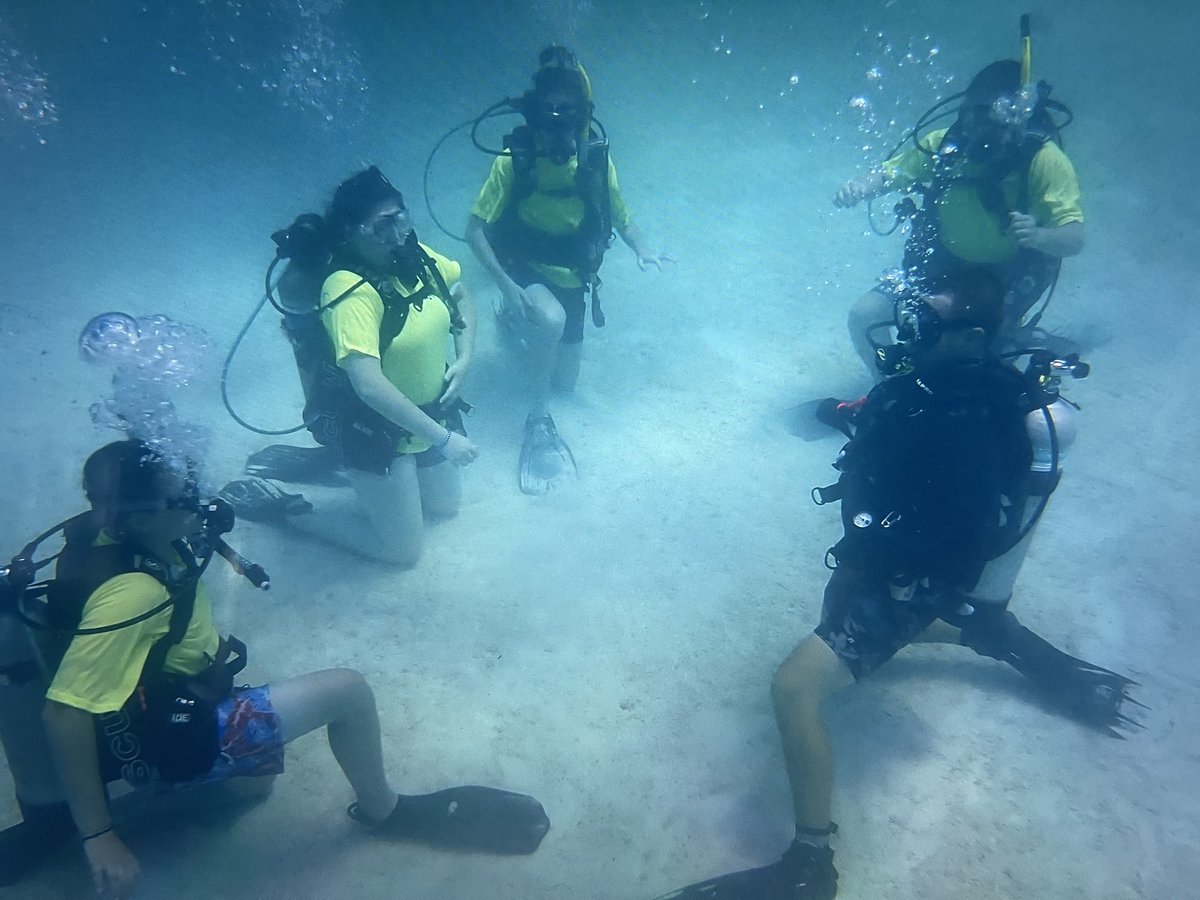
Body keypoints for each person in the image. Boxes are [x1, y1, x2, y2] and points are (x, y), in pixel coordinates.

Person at [655, 269, 1135, 900]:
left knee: (794, 688)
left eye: (919, 323)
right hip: (938, 577)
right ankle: (993, 632)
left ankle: (809, 865)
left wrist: (846, 437)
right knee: (863, 627)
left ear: (937, 333)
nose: (908, 333)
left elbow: (894, 458)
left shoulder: (912, 402)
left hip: (904, 582)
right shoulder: (1001, 393)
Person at [0, 440, 550, 894]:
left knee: (252, 788)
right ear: (144, 516)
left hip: (144, 695)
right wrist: (99, 836)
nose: (200, 500)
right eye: (184, 494)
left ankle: (93, 806)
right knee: (346, 692)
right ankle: (386, 810)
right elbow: (63, 715)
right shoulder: (133, 595)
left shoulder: (109, 534)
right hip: (158, 724)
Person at [222, 166, 479, 566]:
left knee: (445, 508)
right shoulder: (348, 290)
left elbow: (461, 294)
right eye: (382, 226)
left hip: (427, 418)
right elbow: (369, 386)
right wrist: (445, 441)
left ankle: (342, 468)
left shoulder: (418, 258)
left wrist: (463, 359)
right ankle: (289, 509)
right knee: (403, 553)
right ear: (352, 232)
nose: (398, 234)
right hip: (374, 433)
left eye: (401, 219)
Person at [465, 44, 672, 494]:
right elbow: (475, 228)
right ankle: (537, 419)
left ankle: (516, 325)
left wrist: (643, 247)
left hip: (573, 279)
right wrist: (506, 281)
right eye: (549, 109)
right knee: (550, 322)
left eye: (567, 109)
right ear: (534, 112)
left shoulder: (596, 159)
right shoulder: (514, 159)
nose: (557, 118)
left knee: (566, 383)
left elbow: (621, 214)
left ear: (582, 113)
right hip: (525, 268)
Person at [834, 58, 1085, 376]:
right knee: (865, 315)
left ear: (1017, 118)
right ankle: (886, 385)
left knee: (978, 365)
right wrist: (861, 187)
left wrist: (1041, 236)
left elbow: (1075, 237)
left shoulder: (1044, 160)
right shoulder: (944, 145)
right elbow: (891, 174)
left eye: (987, 117)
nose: (973, 128)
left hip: (1005, 278)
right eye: (970, 114)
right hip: (944, 264)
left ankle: (1013, 340)